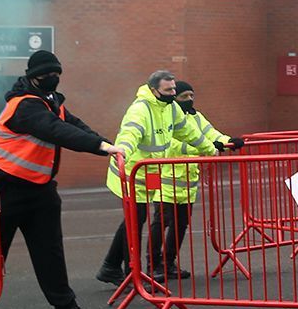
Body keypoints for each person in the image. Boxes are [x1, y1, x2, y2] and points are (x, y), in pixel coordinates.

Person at [0, 50, 114, 309]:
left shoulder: (53, 102)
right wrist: (100, 147)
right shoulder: (24, 105)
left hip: (39, 186)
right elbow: (55, 130)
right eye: (47, 74)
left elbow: (75, 126)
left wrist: (106, 144)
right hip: (2, 185)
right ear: (33, 77)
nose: (53, 78)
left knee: (50, 248)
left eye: (57, 73)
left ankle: (65, 305)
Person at [98, 70, 239, 286]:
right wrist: (122, 149)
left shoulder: (170, 107)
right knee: (136, 221)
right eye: (168, 90)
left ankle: (110, 267)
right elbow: (130, 133)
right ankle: (130, 275)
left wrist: (210, 148)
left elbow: (188, 132)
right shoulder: (140, 109)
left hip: (148, 173)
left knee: (135, 220)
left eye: (174, 89)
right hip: (129, 172)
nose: (173, 93)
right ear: (154, 90)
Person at [148, 81, 230, 282]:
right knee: (161, 222)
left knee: (181, 224)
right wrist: (206, 148)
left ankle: (169, 263)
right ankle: (153, 265)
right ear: (175, 98)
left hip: (187, 181)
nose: (190, 99)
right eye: (185, 96)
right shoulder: (166, 117)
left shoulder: (195, 116)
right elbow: (173, 145)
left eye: (192, 95)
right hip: (164, 181)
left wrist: (228, 142)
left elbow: (211, 133)